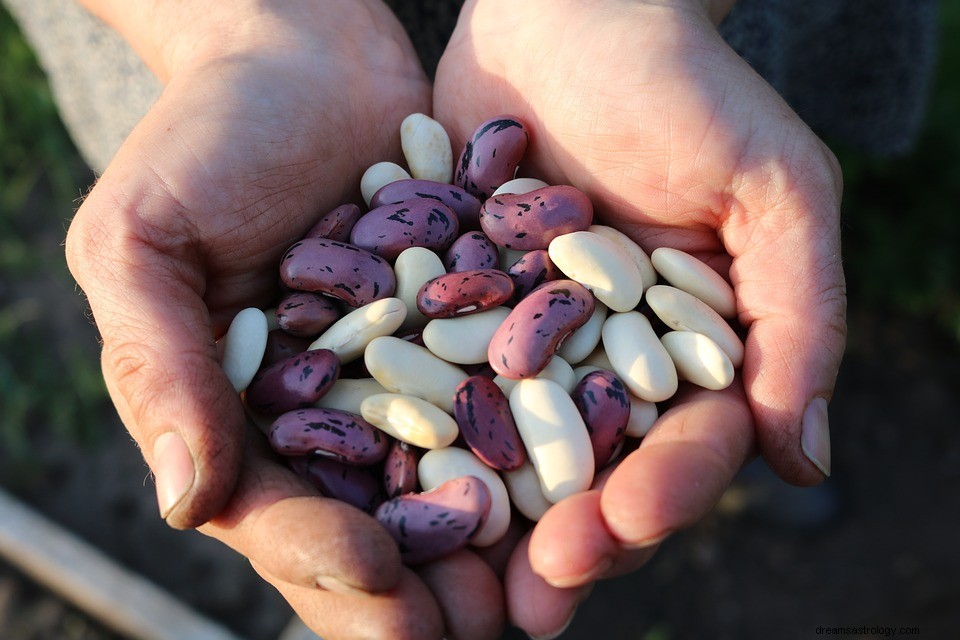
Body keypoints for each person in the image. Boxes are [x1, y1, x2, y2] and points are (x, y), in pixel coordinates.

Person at [3, 0, 936, 637]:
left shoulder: (514, 263)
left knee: (740, 362)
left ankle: (762, 456)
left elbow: (503, 331)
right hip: (236, 58)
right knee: (663, 425)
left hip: (658, 56)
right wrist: (239, 24)